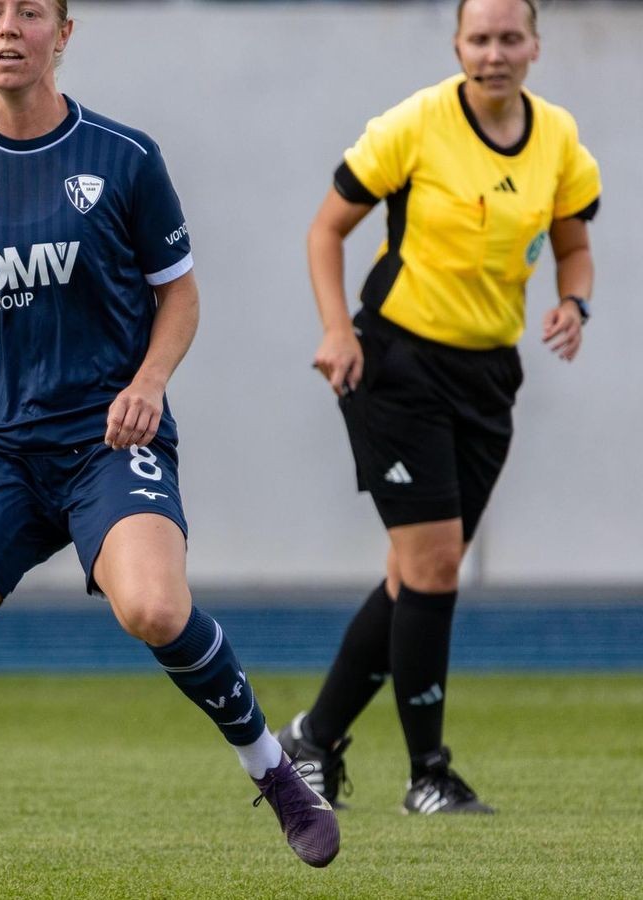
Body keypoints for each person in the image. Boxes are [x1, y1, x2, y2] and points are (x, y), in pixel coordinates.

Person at [0, 0, 338, 894]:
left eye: (29, 12)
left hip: (108, 438)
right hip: (5, 453)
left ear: (64, 32)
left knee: (154, 611)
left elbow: (181, 298)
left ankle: (274, 773)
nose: (7, 27)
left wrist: (148, 384)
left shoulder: (124, 158)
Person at [284, 0, 600, 816]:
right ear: (457, 44)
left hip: (490, 374)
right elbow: (326, 231)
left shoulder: (557, 137)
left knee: (411, 578)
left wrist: (575, 302)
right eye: (479, 38)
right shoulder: (414, 125)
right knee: (434, 567)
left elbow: (573, 242)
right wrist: (335, 331)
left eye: (509, 37)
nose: (494, 53)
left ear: (535, 44)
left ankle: (312, 742)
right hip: (396, 362)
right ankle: (429, 774)